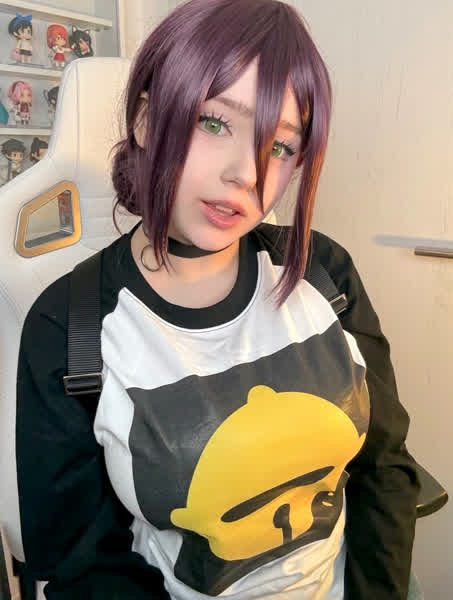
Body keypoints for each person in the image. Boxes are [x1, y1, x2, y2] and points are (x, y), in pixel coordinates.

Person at [16, 1, 420, 599]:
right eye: (214, 122)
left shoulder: (325, 274)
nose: (247, 174)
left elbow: (385, 467)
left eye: (280, 147)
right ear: (148, 122)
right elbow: (85, 566)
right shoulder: (69, 328)